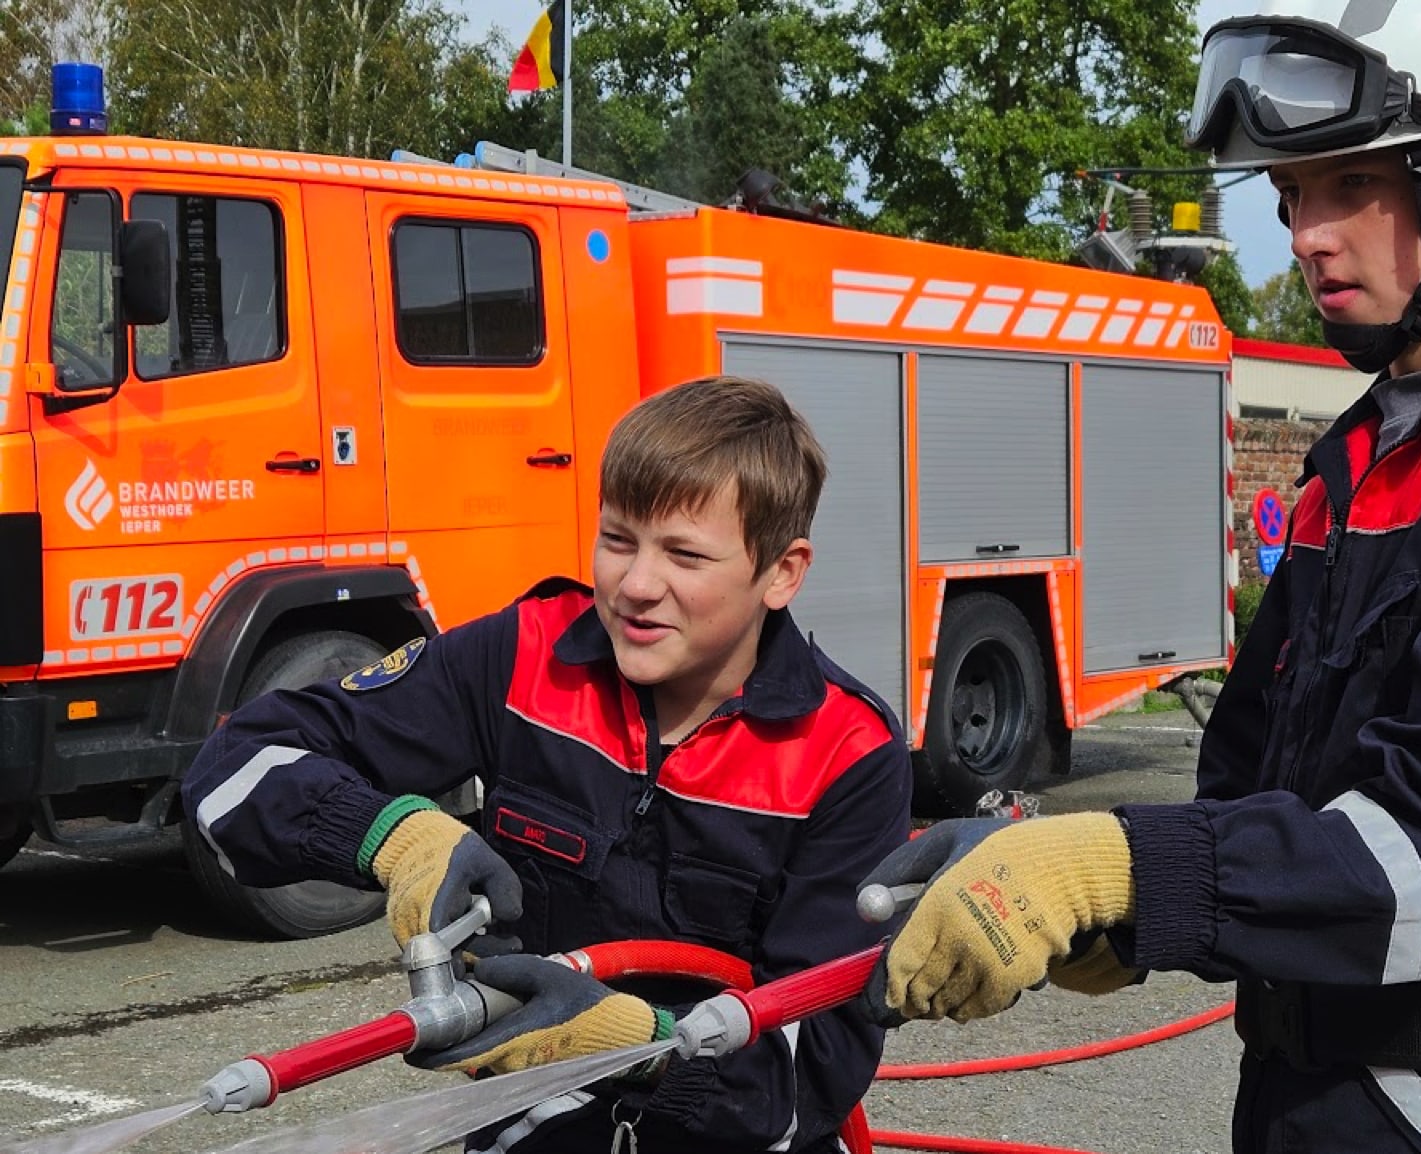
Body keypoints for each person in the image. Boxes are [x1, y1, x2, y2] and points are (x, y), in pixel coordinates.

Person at [856, 2, 1421, 1151]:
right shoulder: (1347, 466)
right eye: (1288, 195)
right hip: (1303, 1094)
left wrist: (1114, 862)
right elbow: (1252, 797)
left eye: (1349, 184)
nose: (1306, 233)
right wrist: (1106, 914)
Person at [181, 376, 912, 1154]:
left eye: (685, 555)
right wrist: (391, 838)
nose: (635, 586)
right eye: (618, 539)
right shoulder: (522, 656)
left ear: (782, 573)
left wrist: (633, 1045)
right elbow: (233, 767)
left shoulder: (848, 750)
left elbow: (811, 1077)